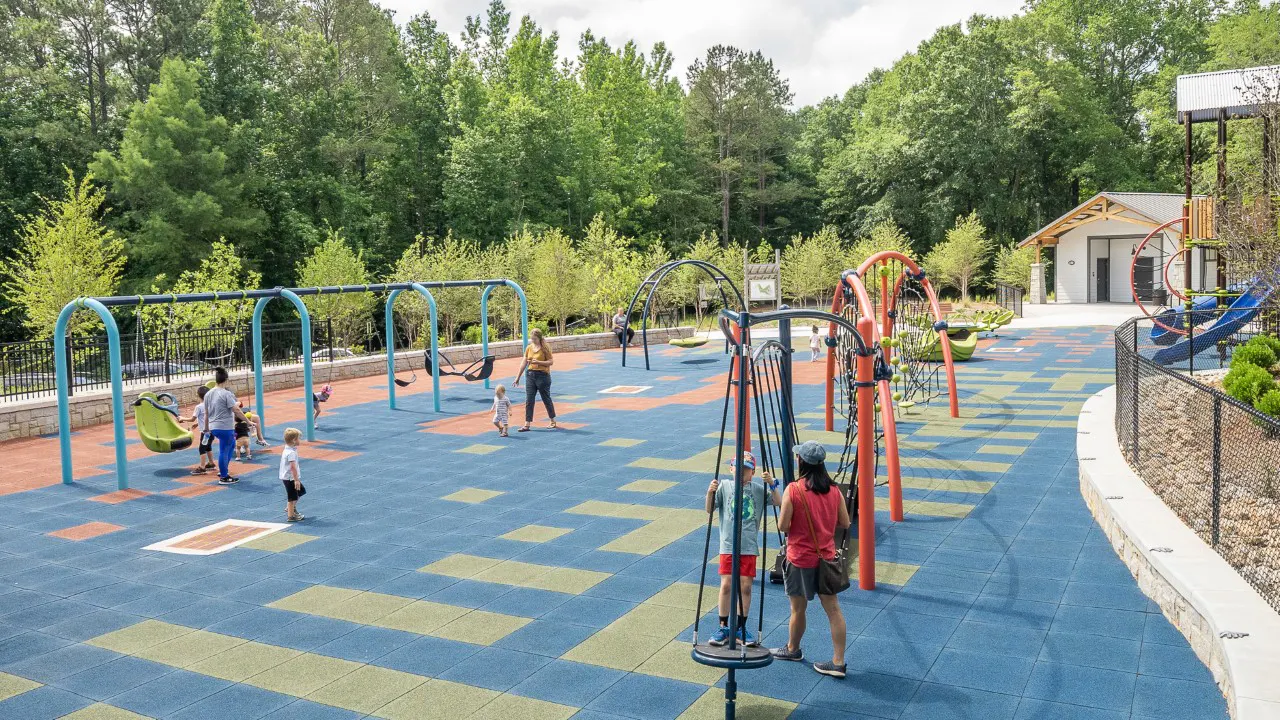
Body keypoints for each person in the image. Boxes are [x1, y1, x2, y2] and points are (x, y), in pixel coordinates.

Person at [771, 440, 851, 679]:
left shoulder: (794, 490)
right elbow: (845, 523)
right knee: (834, 610)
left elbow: (783, 525)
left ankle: (793, 649)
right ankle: (838, 662)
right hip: (825, 558)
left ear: (801, 461)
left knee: (798, 609)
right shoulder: (834, 490)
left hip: (800, 558)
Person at [705, 451, 782, 647]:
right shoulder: (724, 486)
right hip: (728, 545)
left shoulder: (757, 489)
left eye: (746, 469)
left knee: (745, 587)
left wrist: (772, 484)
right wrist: (710, 492)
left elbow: (778, 501)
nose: (741, 473)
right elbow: (709, 508)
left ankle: (740, 627)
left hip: (748, 546)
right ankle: (723, 626)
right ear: (731, 469)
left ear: (753, 472)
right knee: (726, 585)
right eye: (738, 468)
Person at [203, 367, 251, 485]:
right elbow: (236, 410)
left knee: (230, 445)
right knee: (224, 450)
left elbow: (206, 413)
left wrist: (206, 429)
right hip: (225, 427)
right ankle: (224, 476)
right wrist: (248, 421)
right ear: (226, 380)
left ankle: (223, 470)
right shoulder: (226, 394)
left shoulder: (208, 394)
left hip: (214, 427)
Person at [514, 328, 556, 432]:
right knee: (529, 400)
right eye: (532, 339)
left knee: (546, 398)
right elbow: (523, 363)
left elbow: (551, 362)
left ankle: (552, 420)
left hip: (543, 376)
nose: (533, 341)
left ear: (539, 338)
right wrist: (518, 377)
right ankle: (527, 424)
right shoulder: (528, 348)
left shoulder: (545, 348)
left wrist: (539, 362)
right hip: (530, 376)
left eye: (535, 339)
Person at [185, 386, 214, 475]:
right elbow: (207, 417)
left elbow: (192, 418)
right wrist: (197, 424)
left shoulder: (199, 407)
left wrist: (182, 418)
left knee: (202, 448)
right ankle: (211, 463)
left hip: (205, 432)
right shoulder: (211, 405)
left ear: (198, 396)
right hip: (212, 430)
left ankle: (202, 467)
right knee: (208, 447)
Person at [279, 427, 305, 522]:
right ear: (294, 440)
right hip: (290, 478)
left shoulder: (288, 449)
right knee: (292, 496)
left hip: (287, 477)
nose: (300, 440)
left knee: (301, 491)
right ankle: (291, 516)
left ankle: (290, 508)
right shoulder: (291, 453)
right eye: (299, 438)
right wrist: (296, 480)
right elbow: (292, 467)